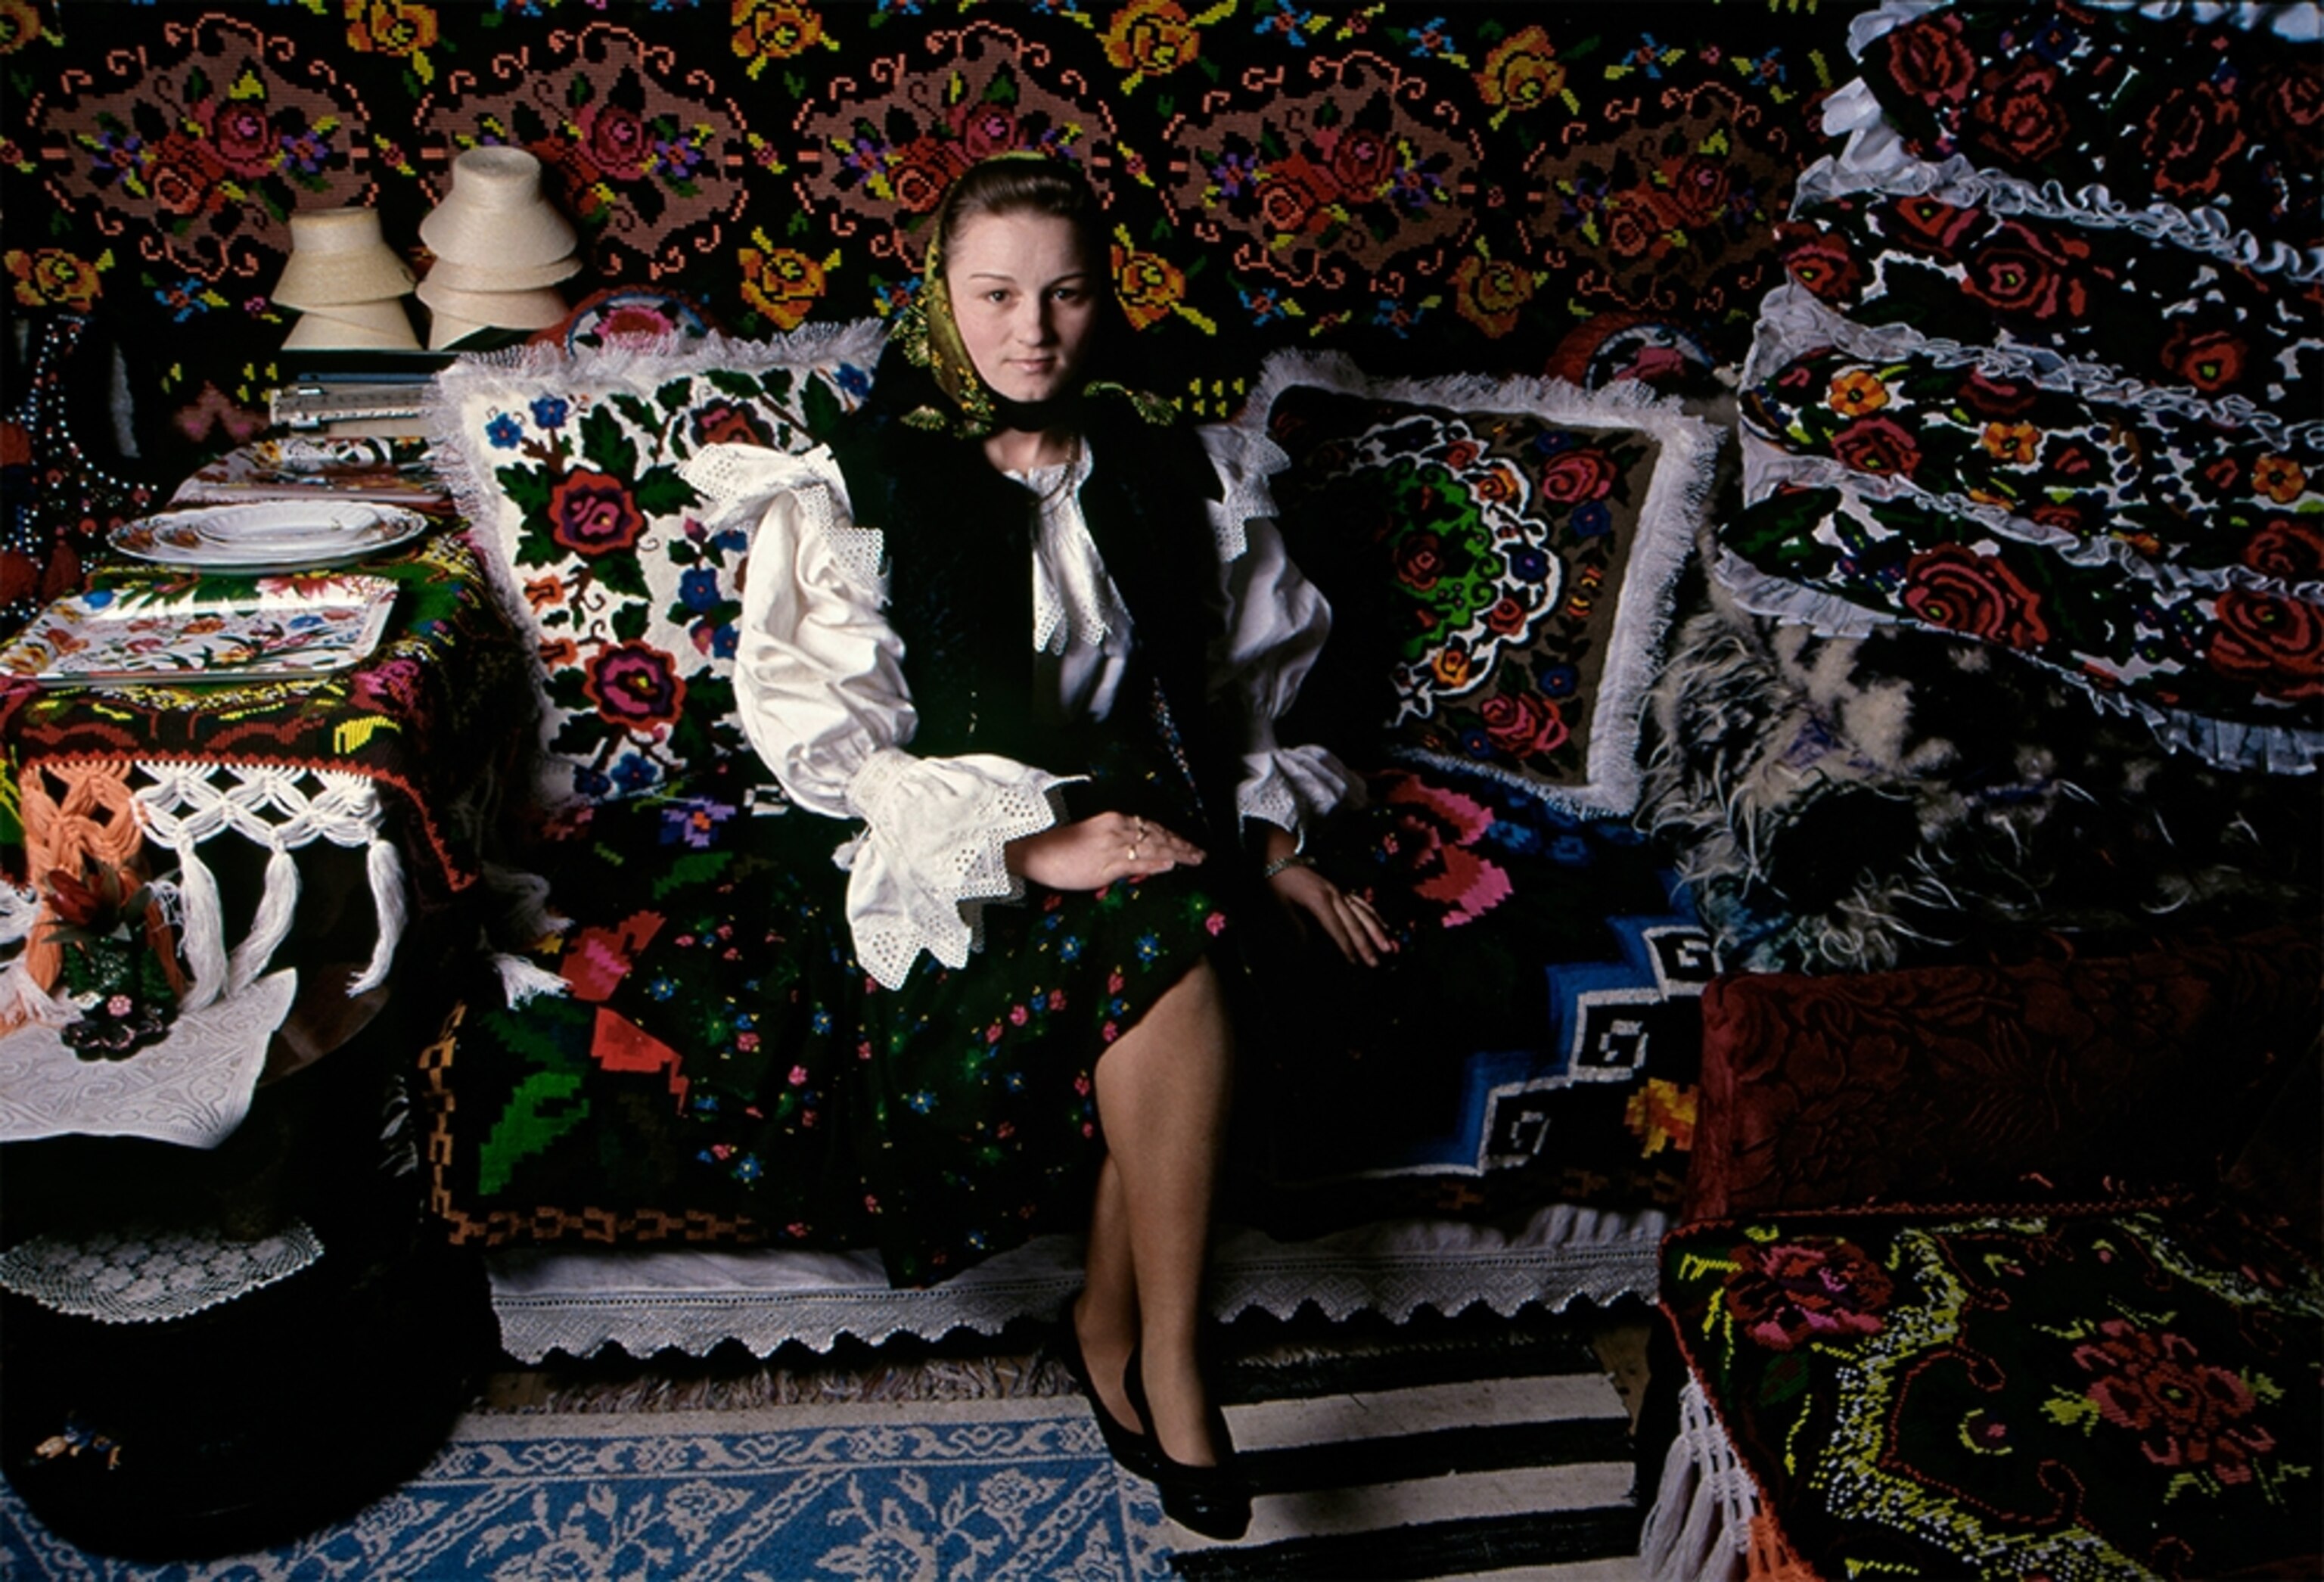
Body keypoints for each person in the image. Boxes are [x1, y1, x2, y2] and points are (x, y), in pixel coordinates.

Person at [685, 153, 1389, 1540]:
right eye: (996, 294)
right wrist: (1024, 854)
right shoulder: (857, 489)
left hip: (1145, 821)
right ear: (940, 300)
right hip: (945, 852)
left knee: (1182, 918)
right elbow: (841, 761)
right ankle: (1133, 1340)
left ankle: (1149, 1341)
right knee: (1169, 939)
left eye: (1065, 295)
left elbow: (1237, 692)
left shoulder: (1166, 467)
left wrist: (1270, 835)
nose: (1033, 331)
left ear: (1103, 298)